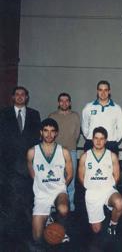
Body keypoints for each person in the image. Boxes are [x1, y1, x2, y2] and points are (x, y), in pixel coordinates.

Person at [0, 86, 41, 240]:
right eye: (16, 94)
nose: (19, 97)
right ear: (12, 97)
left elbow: (37, 140)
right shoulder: (4, 114)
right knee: (8, 201)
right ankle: (7, 235)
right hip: (7, 164)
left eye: (22, 94)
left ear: (27, 97)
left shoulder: (34, 114)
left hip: (27, 165)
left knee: (27, 200)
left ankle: (27, 233)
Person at [26, 118, 73, 244]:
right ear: (41, 132)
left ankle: (61, 230)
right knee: (37, 237)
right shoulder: (32, 152)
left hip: (59, 192)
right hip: (42, 195)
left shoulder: (64, 151)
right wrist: (40, 185)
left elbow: (69, 174)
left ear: (56, 133)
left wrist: (62, 187)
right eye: (46, 131)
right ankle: (48, 219)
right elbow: (32, 173)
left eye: (52, 131)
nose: (49, 134)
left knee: (63, 208)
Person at [78, 127, 122, 236]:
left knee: (119, 202)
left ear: (106, 140)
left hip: (107, 190)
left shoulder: (112, 156)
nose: (98, 141)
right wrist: (90, 188)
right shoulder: (85, 156)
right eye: (96, 138)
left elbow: (116, 176)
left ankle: (112, 224)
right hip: (92, 193)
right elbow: (81, 177)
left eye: (102, 139)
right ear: (92, 139)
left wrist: (109, 187)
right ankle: (104, 209)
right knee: (96, 230)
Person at [49, 92, 80, 212]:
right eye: (61, 101)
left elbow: (77, 134)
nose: (64, 103)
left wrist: (70, 145)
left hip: (71, 151)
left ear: (70, 103)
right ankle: (53, 204)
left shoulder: (75, 116)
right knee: (55, 179)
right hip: (55, 152)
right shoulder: (52, 116)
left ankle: (70, 204)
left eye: (66, 100)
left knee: (70, 180)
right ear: (58, 103)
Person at [81, 80, 122, 155]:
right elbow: (84, 127)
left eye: (106, 90)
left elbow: (121, 129)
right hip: (91, 144)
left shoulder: (117, 108)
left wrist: (113, 140)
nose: (103, 93)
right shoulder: (88, 107)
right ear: (97, 91)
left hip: (110, 145)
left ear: (109, 91)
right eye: (100, 90)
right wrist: (91, 138)